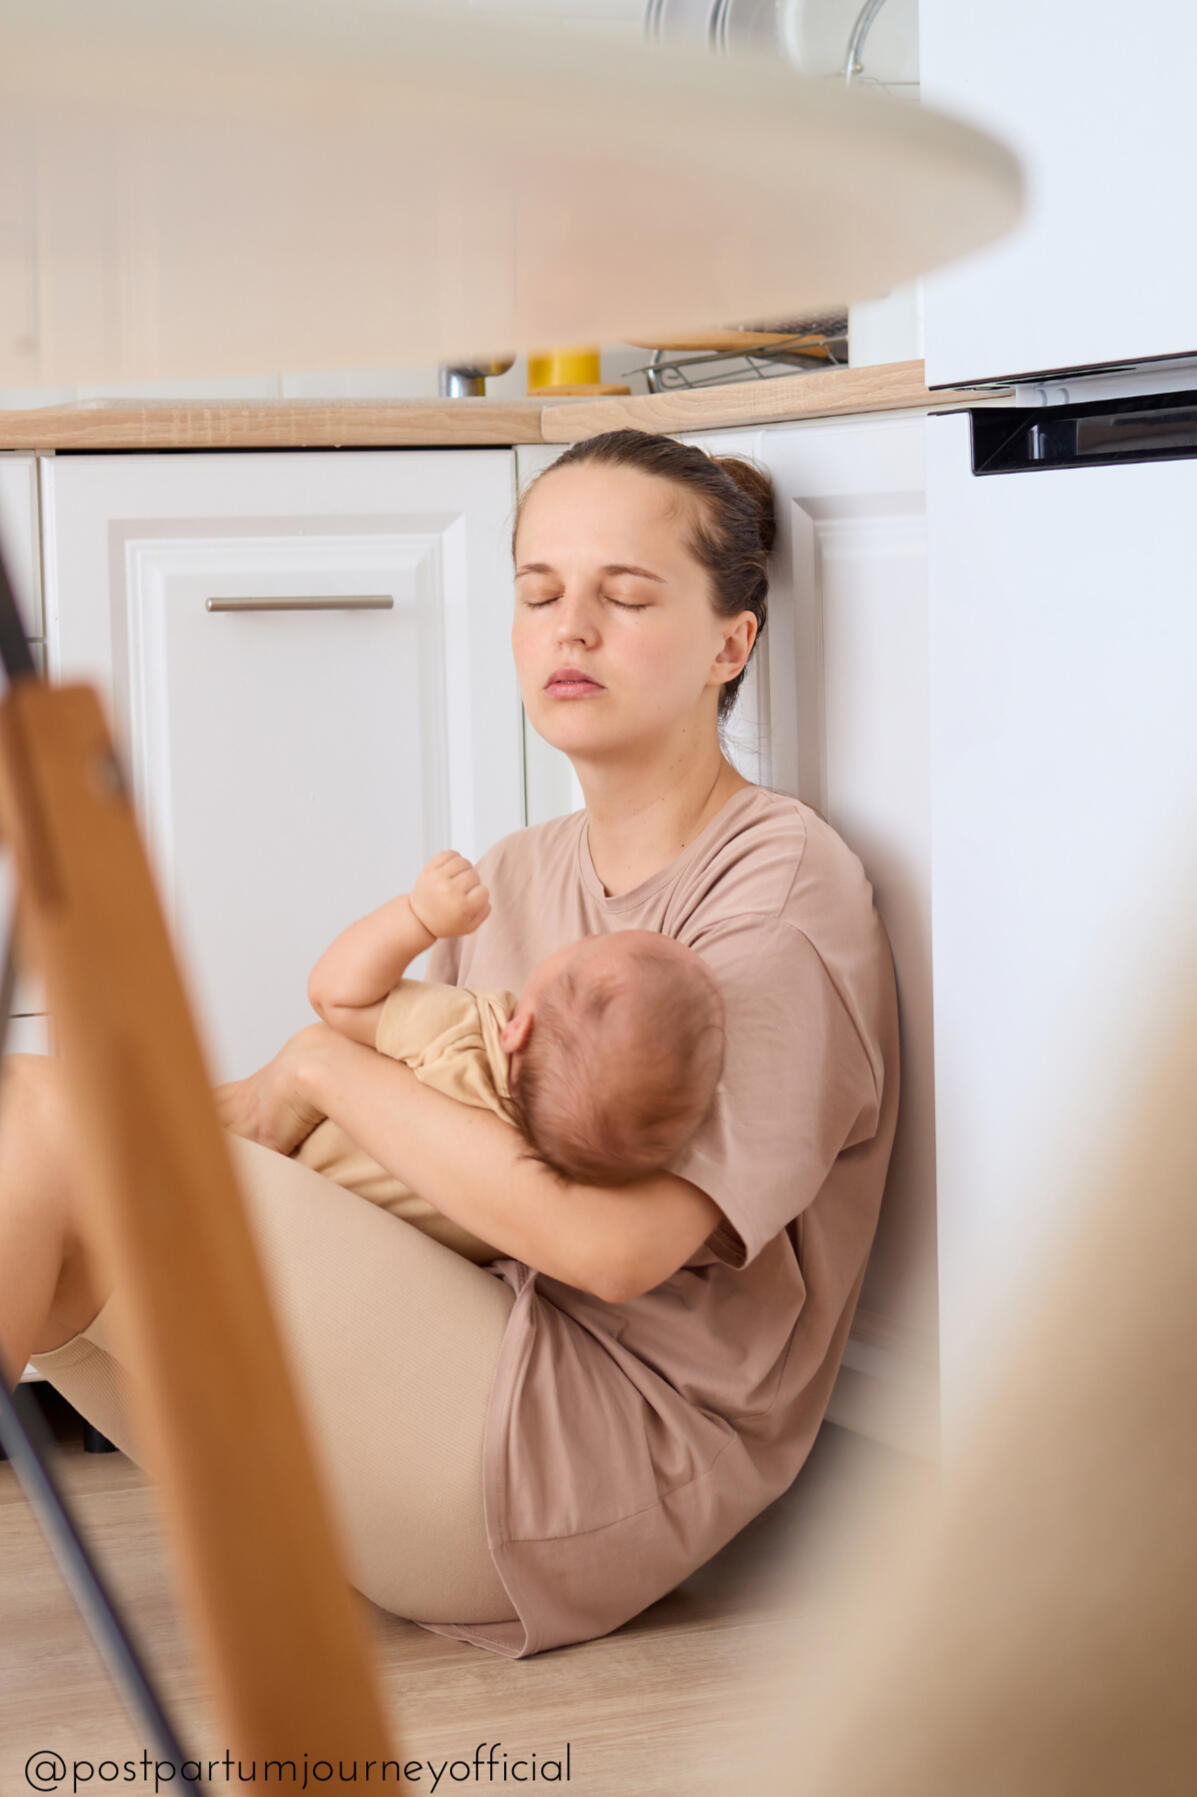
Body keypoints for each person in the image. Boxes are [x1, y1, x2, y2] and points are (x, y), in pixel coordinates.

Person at [5, 426, 900, 1658]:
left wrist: (316, 1068)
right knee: (34, 1144)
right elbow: (423, 1143)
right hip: (443, 1372)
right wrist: (236, 1096)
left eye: (626, 596)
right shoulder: (519, 872)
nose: (569, 630)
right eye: (540, 595)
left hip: (578, 1461)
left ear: (729, 645)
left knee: (49, 1134)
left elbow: (610, 1245)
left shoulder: (775, 889)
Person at [290, 848, 727, 1260]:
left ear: (518, 1029)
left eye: (588, 947)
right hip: (344, 1243)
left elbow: (335, 995)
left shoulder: (470, 1033)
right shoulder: (556, 1185)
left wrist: (417, 918)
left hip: (288, 1171)